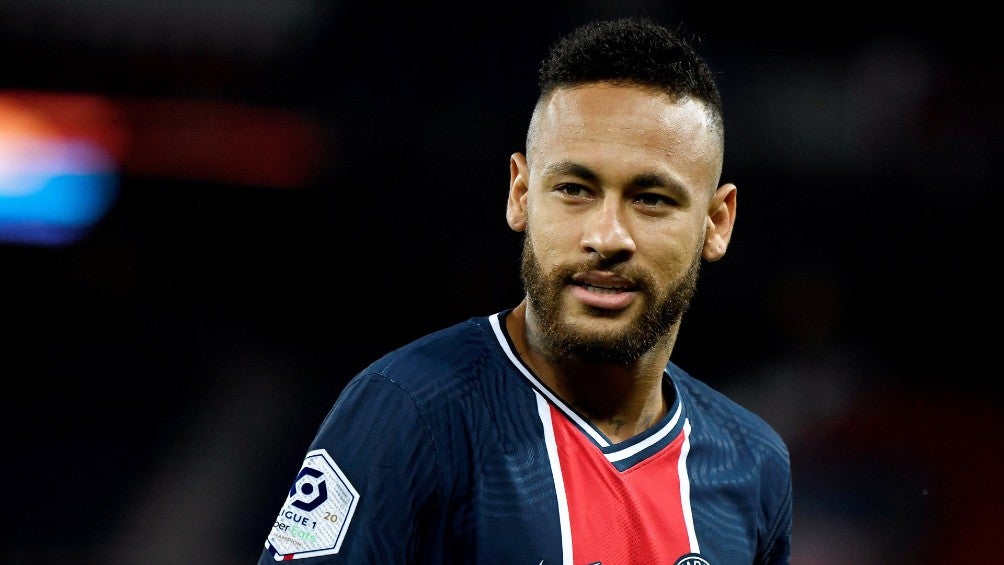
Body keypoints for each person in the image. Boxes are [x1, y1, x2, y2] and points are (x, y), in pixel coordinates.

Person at [257, 16, 792, 565]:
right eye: (575, 189)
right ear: (520, 194)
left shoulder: (754, 466)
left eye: (651, 199)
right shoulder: (408, 412)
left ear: (717, 222)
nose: (607, 237)